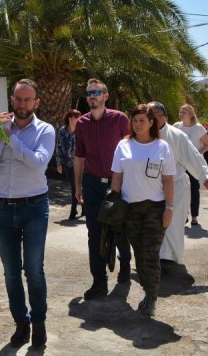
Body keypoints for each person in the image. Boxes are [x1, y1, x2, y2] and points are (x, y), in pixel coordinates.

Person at [0, 79, 55, 349]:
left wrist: (10, 139)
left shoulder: (45, 130)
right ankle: (21, 324)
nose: (21, 105)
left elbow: (37, 163)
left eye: (27, 100)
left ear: (36, 103)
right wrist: (0, 135)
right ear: (12, 100)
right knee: (11, 273)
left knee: (34, 270)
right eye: (18, 99)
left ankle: (39, 324)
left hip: (34, 207)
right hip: (2, 208)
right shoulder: (1, 127)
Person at [110, 104, 176, 317]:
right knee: (138, 252)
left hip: (155, 207)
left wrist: (169, 207)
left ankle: (151, 295)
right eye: (135, 120)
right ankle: (148, 290)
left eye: (142, 120)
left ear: (151, 123)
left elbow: (168, 180)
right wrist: (113, 205)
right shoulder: (123, 145)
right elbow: (117, 177)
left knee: (150, 253)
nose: (138, 124)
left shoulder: (162, 146)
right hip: (130, 208)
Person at [74, 79, 132, 300]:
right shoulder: (81, 123)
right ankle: (99, 281)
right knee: (94, 232)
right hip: (91, 183)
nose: (92, 96)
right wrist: (77, 185)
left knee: (120, 229)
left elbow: (130, 151)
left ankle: (125, 265)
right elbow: (79, 155)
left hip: (118, 183)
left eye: (97, 92)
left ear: (105, 96)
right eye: (89, 93)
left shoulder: (119, 119)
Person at [147, 102, 208, 269]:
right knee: (150, 223)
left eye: (153, 114)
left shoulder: (177, 136)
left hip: (176, 186)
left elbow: (194, 156)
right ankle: (152, 256)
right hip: (150, 187)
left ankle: (168, 258)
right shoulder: (141, 135)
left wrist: (205, 176)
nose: (149, 118)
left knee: (172, 223)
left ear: (163, 116)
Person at [174, 104, 208, 226]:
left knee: (194, 189)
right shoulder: (176, 126)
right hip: (179, 163)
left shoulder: (198, 128)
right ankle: (183, 215)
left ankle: (194, 216)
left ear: (190, 114)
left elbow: (207, 144)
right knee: (180, 189)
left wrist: (196, 154)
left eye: (184, 112)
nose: (181, 113)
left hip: (193, 164)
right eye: (180, 111)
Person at [56, 109, 83, 220]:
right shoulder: (62, 131)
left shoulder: (81, 130)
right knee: (74, 186)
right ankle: (83, 207)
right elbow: (58, 147)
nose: (78, 119)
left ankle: (73, 211)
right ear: (70, 118)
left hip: (80, 164)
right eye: (75, 117)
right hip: (67, 163)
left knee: (74, 186)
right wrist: (59, 163)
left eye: (79, 117)